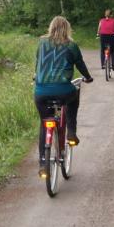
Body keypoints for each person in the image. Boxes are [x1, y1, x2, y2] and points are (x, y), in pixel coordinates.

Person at [34, 16, 93, 177]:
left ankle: (42, 163)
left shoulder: (41, 42)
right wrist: (88, 77)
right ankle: (71, 132)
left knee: (44, 123)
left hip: (40, 92)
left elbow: (38, 62)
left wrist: (37, 76)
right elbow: (80, 64)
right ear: (67, 28)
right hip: (63, 91)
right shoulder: (71, 45)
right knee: (73, 98)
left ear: (50, 27)